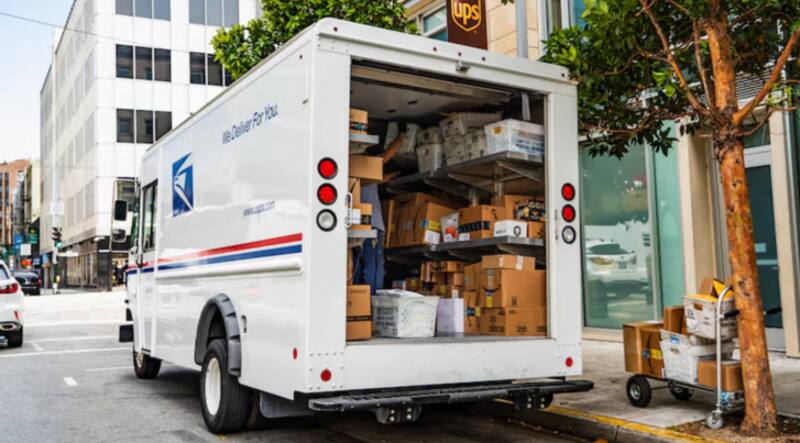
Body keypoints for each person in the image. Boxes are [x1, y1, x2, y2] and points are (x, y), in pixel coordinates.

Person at [353, 132, 405, 294]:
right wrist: (401, 136)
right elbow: (385, 157)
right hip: (371, 228)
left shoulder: (353, 174)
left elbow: (380, 179)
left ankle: (358, 305)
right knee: (374, 270)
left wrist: (394, 175)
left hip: (356, 228)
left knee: (357, 268)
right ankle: (372, 307)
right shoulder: (361, 168)